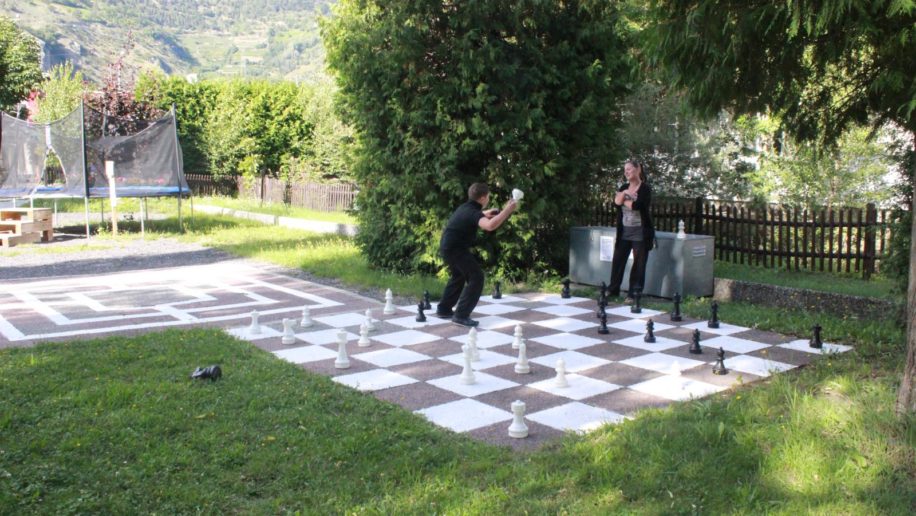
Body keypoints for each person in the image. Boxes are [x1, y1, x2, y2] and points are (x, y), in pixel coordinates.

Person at [436, 183, 518, 327]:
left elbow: (476, 216)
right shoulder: (473, 212)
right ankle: (461, 316)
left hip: (447, 246)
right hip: (456, 249)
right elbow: (490, 226)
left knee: (459, 275)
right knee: (476, 277)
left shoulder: (465, 207)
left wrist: (489, 213)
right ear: (482, 198)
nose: (489, 199)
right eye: (488, 196)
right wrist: (507, 210)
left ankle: (444, 309)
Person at [608, 159, 655, 302]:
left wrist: (624, 199)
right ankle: (613, 290)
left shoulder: (645, 189)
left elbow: (638, 206)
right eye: (625, 170)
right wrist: (626, 193)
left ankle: (634, 294)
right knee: (618, 261)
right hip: (624, 232)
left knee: (638, 265)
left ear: (638, 169)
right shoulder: (624, 186)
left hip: (640, 233)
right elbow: (616, 203)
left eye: (628, 169)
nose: (626, 172)